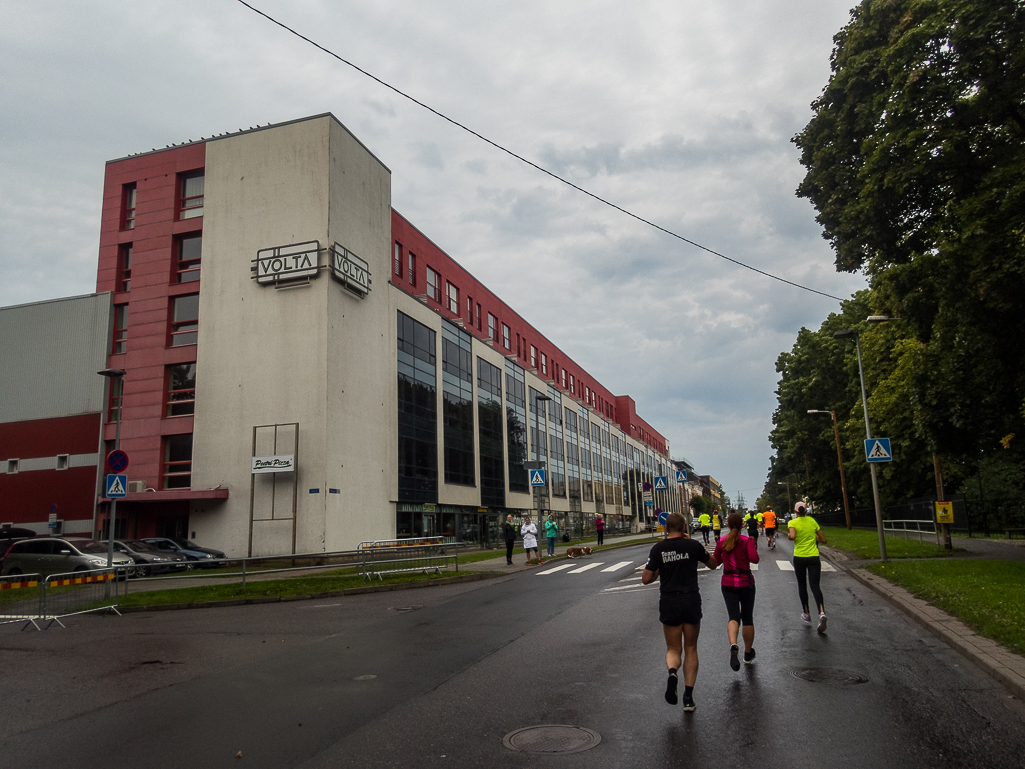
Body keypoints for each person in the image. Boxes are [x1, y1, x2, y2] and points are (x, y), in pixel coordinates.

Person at [642, 511, 719, 712]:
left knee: (673, 649)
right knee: (691, 648)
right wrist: (693, 544)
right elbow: (713, 564)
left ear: (666, 529)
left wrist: (660, 568)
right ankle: (688, 697)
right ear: (684, 528)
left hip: (669, 600)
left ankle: (672, 674)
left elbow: (646, 578)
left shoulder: (658, 549)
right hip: (690, 599)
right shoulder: (693, 546)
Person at [713, 513, 759, 670]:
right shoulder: (747, 541)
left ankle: (733, 644)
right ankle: (747, 653)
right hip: (746, 583)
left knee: (733, 617)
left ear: (727, 524)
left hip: (728, 583)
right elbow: (755, 559)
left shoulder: (721, 541)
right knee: (747, 618)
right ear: (742, 525)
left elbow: (716, 561)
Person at [788, 502, 827, 633]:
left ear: (796, 511)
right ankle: (821, 612)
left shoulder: (793, 523)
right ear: (806, 510)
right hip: (814, 556)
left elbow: (792, 536)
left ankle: (806, 613)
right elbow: (823, 539)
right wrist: (813, 536)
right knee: (815, 586)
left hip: (799, 557)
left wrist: (789, 536)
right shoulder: (812, 522)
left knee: (802, 585)